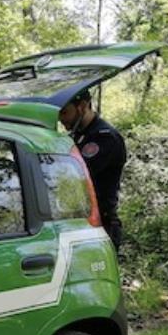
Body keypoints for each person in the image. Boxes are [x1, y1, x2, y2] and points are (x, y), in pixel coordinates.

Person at [58, 90, 127, 250]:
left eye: (65, 112)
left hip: (100, 225)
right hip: (81, 223)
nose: (61, 119)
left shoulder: (104, 138)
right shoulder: (78, 135)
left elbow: (73, 176)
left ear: (82, 106)